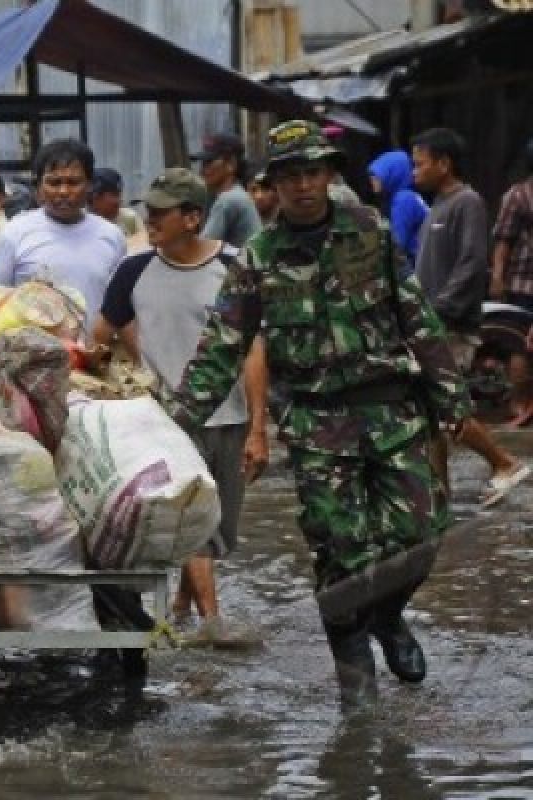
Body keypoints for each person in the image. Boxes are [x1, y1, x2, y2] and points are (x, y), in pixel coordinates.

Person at [163, 120, 473, 710]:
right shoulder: (258, 259)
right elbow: (222, 347)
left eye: (313, 172)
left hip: (390, 409)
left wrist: (450, 394)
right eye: (291, 175)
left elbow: (417, 317)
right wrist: (177, 421)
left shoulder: (370, 231)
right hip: (316, 423)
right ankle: (357, 699)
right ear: (274, 184)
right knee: (340, 550)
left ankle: (387, 618)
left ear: (328, 175)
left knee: (421, 535)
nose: (304, 185)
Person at [94, 168, 269, 642]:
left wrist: (258, 426)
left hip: (229, 418)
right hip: (165, 423)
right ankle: (212, 621)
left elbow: (253, 349)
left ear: (193, 218)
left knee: (222, 526)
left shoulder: (236, 268)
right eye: (148, 210)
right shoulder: (134, 271)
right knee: (196, 521)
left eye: (161, 213)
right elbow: (100, 337)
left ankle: (181, 606)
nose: (150, 220)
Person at [411, 127, 530, 506]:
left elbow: (471, 263)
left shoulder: (467, 203)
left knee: (445, 406)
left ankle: (504, 462)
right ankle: (439, 493)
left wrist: (439, 309)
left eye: (421, 164)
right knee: (431, 411)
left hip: (450, 323)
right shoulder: (437, 207)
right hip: (430, 321)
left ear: (444, 164)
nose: (415, 172)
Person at [0, 138, 126, 332]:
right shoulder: (15, 232)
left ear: (89, 185)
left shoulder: (111, 236)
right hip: (33, 358)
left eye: (73, 182)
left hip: (93, 357)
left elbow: (119, 306)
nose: (63, 191)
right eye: (54, 183)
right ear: (40, 187)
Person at [490, 136, 533, 426]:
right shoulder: (518, 196)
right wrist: (497, 277)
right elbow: (503, 242)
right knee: (520, 346)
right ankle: (519, 403)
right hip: (522, 284)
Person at [193, 132, 263, 249]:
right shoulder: (237, 193)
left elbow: (201, 250)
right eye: (203, 163)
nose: (203, 170)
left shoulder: (229, 200)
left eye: (209, 162)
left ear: (231, 163)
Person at [368, 150, 428, 267]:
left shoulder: (403, 200)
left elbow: (398, 244)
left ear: (394, 174)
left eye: (377, 174)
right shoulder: (406, 196)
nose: (372, 179)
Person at [88, 166, 149, 253]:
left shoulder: (129, 218)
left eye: (120, 194)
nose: (120, 200)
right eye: (115, 195)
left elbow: (144, 250)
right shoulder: (79, 223)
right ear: (95, 197)